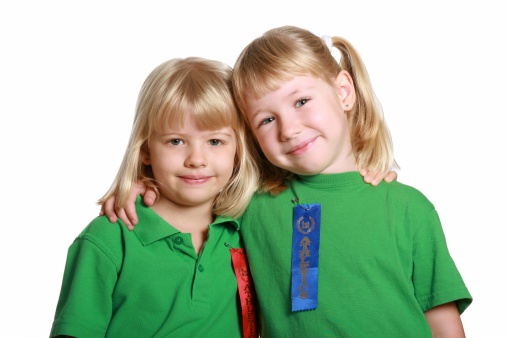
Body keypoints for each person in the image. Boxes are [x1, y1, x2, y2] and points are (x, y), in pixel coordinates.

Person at [104, 26, 472, 337]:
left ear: (343, 91)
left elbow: (441, 320)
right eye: (266, 119)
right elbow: (191, 195)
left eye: (301, 101)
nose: (289, 129)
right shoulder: (250, 205)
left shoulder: (408, 207)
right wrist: (144, 183)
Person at [50, 57, 260, 337]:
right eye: (176, 141)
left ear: (238, 151)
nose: (196, 159)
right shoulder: (109, 238)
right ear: (146, 148)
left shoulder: (248, 227)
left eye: (215, 141)